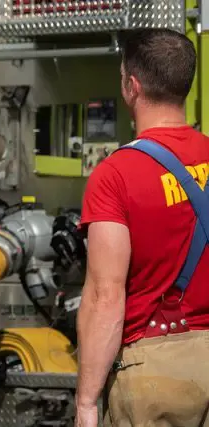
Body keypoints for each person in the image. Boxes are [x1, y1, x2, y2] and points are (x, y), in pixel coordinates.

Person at [76, 29, 209, 426]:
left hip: (155, 373)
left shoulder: (115, 175)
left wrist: (86, 402)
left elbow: (105, 297)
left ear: (131, 86)